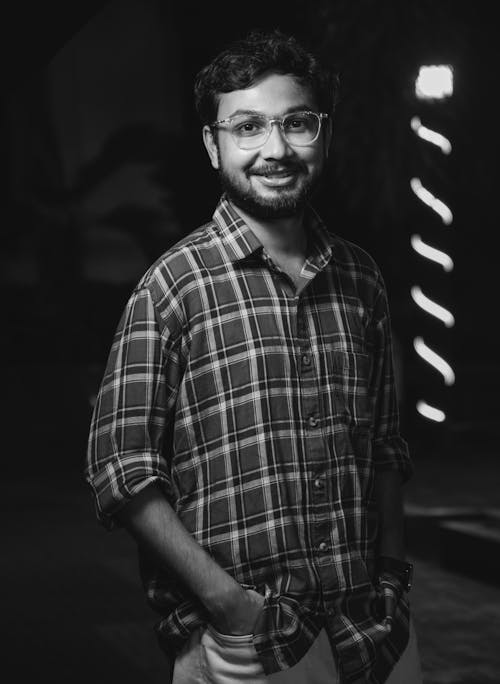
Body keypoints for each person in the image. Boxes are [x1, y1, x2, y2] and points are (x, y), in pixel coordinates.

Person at [85, 29, 422, 684]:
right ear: (213, 144)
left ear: (322, 132)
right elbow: (119, 468)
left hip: (372, 634)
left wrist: (394, 583)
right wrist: (228, 606)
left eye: (296, 123)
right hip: (245, 648)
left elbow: (384, 449)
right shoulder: (174, 285)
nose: (276, 149)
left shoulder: (362, 279)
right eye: (248, 128)